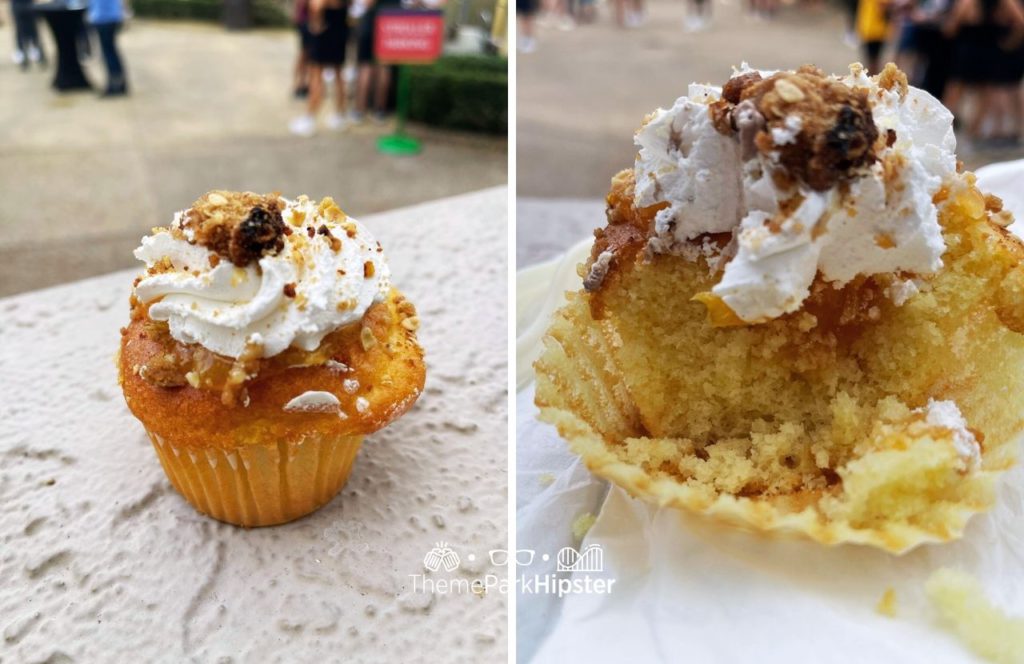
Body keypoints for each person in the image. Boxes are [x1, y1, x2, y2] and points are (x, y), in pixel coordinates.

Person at [290, 0, 352, 136]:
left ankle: (309, 119)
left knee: (316, 76)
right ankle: (340, 116)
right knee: (339, 74)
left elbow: (316, 5)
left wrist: (315, 23)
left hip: (325, 32)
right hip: (340, 28)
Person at [354, 0, 399, 123]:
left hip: (372, 21)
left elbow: (366, 3)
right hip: (392, 20)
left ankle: (360, 110)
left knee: (366, 67)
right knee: (385, 67)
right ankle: (379, 110)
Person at [88, 0, 128, 96]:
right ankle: (119, 83)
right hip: (109, 17)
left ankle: (115, 85)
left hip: (104, 18)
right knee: (111, 52)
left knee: (109, 53)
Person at [857, 0, 891, 74]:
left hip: (872, 29)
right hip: (874, 30)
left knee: (872, 59)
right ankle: (872, 77)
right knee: (873, 59)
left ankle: (871, 78)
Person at [11, 0, 46, 70]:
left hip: (26, 5)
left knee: (32, 32)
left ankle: (38, 56)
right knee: (23, 33)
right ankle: (24, 58)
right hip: (21, 5)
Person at [293, 0, 313, 98]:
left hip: (306, 20)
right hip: (307, 21)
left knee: (306, 56)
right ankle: (300, 84)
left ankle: (305, 84)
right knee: (304, 55)